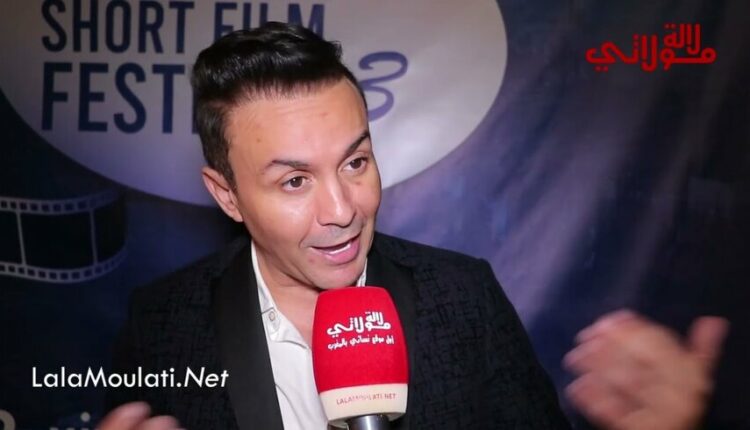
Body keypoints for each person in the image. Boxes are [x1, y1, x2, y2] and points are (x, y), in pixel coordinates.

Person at [101, 22, 727, 430]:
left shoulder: (464, 296)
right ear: (228, 195)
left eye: (355, 162)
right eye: (295, 181)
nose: (342, 209)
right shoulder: (162, 323)